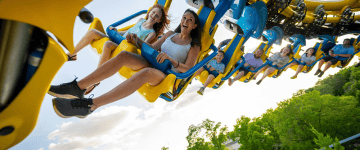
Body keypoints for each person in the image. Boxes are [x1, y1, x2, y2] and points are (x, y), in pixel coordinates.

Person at [47, 9, 202, 118]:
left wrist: (171, 60)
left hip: (165, 74)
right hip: (152, 62)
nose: (185, 21)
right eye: (184, 18)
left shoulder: (193, 46)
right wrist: (137, 40)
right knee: (124, 55)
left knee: (146, 73)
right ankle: (78, 87)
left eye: (190, 20)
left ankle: (90, 105)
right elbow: (152, 48)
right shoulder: (169, 34)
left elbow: (188, 68)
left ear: (194, 26)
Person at [69, 4, 170, 94]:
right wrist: (116, 31)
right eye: (153, 13)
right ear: (149, 12)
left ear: (158, 20)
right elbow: (127, 31)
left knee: (108, 44)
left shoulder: (151, 33)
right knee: (93, 32)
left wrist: (134, 41)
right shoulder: (141, 21)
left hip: (125, 46)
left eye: (156, 16)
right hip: (119, 39)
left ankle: (95, 80)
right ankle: (72, 54)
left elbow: (143, 45)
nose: (153, 16)